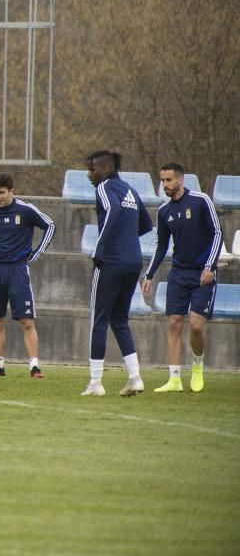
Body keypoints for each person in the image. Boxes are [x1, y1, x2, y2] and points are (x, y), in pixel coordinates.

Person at [143, 163, 222, 393]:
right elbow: (161, 246)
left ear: (180, 180)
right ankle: (174, 379)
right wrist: (149, 274)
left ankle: (197, 367)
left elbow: (217, 233)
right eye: (162, 180)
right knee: (174, 323)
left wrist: (210, 266)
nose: (165, 185)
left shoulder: (201, 201)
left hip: (202, 274)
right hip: (178, 273)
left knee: (196, 326)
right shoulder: (163, 211)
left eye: (168, 180)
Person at [81, 150, 153, 397]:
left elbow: (112, 211)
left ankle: (95, 383)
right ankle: (135, 377)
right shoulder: (130, 191)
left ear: (107, 168)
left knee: (97, 320)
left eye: (93, 169)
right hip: (133, 261)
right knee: (119, 319)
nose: (90, 174)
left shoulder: (104, 187)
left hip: (110, 261)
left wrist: (101, 247)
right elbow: (146, 224)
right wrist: (126, 240)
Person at [0, 173, 55, 378]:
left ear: (11, 191)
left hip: (18, 270)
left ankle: (34, 367)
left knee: (27, 321)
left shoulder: (25, 210)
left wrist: (37, 252)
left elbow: (50, 226)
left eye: (1, 192)